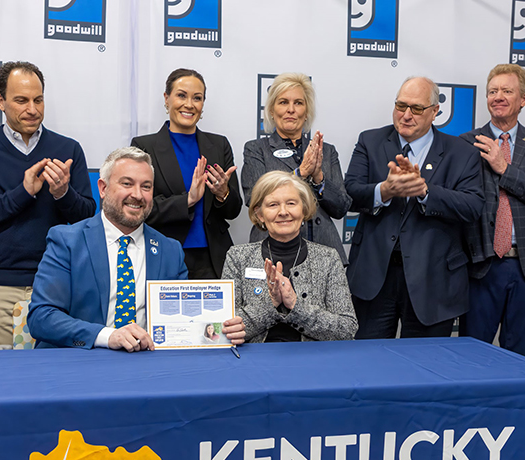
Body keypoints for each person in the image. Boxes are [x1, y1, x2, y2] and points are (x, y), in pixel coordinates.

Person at [28, 147, 245, 351]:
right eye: (127, 184)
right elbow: (42, 317)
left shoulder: (170, 250)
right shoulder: (67, 241)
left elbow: (182, 323)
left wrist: (223, 330)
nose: (138, 195)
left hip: (147, 366)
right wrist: (107, 336)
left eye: (146, 186)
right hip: (79, 365)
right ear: (103, 188)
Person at [0, 61, 96, 349]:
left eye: (38, 100)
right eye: (21, 100)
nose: (32, 109)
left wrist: (63, 193)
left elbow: (87, 214)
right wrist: (23, 192)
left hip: (56, 285)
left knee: (52, 379)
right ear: (1, 101)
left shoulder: (68, 149)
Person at [344, 76, 484, 339]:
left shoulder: (461, 152)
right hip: (375, 278)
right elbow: (349, 193)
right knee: (368, 365)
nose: (406, 115)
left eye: (417, 109)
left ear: (435, 112)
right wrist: (383, 191)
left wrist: (425, 192)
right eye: (401, 106)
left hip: (434, 282)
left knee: (425, 369)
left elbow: (473, 206)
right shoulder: (370, 141)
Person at [459, 64, 525, 357]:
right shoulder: (466, 143)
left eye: (506, 91)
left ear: (523, 99)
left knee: (521, 356)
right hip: (481, 265)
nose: (497, 97)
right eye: (492, 91)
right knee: (472, 356)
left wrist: (504, 168)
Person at [131, 68, 242, 279]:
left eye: (197, 98)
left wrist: (222, 193)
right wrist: (188, 200)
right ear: (167, 99)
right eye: (181, 95)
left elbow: (234, 210)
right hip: (164, 254)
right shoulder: (144, 147)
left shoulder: (219, 145)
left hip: (214, 259)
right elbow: (142, 208)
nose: (189, 104)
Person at [222, 171, 357, 343]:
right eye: (272, 205)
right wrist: (270, 303)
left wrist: (295, 305)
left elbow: (346, 330)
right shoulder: (238, 258)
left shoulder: (328, 258)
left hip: (313, 361)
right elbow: (227, 329)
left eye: (291, 203)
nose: (283, 212)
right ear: (260, 214)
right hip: (255, 362)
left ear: (304, 210)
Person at [242, 72, 350, 264]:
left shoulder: (326, 151)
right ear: (272, 111)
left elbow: (341, 207)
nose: (291, 109)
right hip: (273, 253)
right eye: (283, 102)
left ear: (306, 111)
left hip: (325, 253)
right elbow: (254, 200)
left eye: (298, 103)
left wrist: (319, 178)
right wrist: (300, 173)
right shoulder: (256, 149)